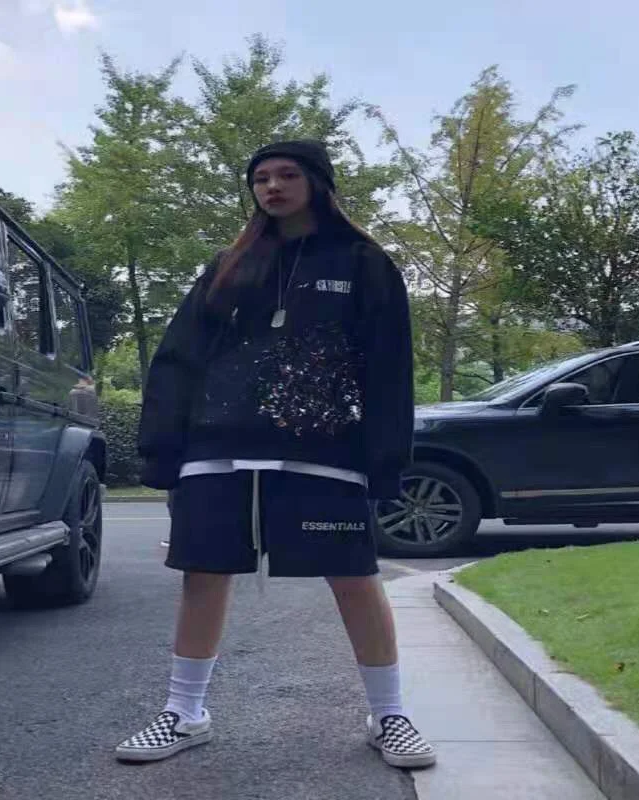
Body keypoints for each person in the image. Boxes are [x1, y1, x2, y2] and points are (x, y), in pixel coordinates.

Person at [116, 140, 436, 770]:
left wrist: (385, 461)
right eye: (261, 177)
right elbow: (179, 357)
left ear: (318, 183)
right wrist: (162, 448)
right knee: (203, 575)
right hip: (217, 448)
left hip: (325, 452)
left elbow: (390, 369)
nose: (273, 186)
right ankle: (184, 712)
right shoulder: (228, 265)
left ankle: (389, 715)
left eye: (288, 174)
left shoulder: (365, 263)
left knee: (355, 577)